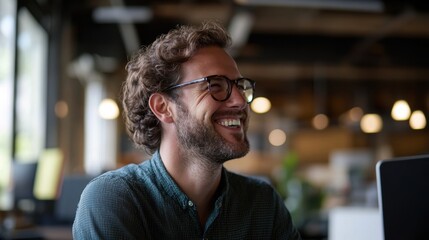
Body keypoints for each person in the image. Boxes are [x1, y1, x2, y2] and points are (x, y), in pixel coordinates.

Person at [72, 21, 301, 239]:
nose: (240, 100)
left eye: (241, 87)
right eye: (215, 85)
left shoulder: (262, 203)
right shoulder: (116, 198)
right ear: (163, 108)